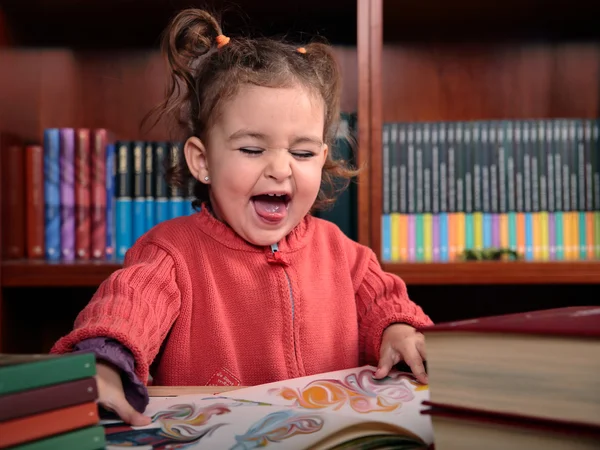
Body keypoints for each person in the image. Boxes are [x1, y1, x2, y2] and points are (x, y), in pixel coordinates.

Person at [51, 8, 433, 426]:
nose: (280, 169)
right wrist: (105, 363)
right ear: (202, 161)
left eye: (302, 153)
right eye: (252, 149)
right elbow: (127, 307)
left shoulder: (342, 251)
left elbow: (387, 304)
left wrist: (397, 331)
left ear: (323, 160)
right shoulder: (170, 252)